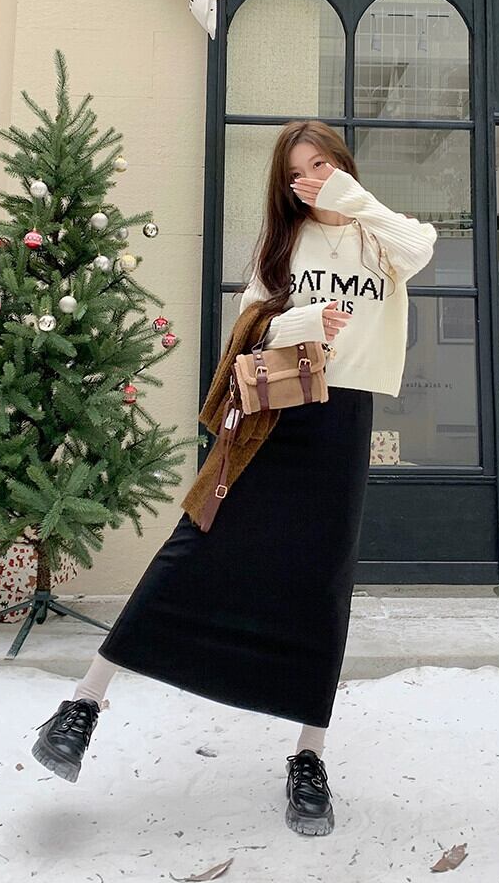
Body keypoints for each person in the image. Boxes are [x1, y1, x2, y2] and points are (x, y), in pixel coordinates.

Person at [30, 120, 437, 837]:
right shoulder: (284, 243)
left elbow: (422, 247)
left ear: (343, 166)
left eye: (322, 164)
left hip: (342, 418)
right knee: (197, 541)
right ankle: (83, 704)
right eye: (297, 172)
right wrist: (303, 322)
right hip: (274, 412)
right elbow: (251, 326)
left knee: (323, 579)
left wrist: (352, 198)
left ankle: (309, 754)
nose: (310, 180)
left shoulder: (378, 236)